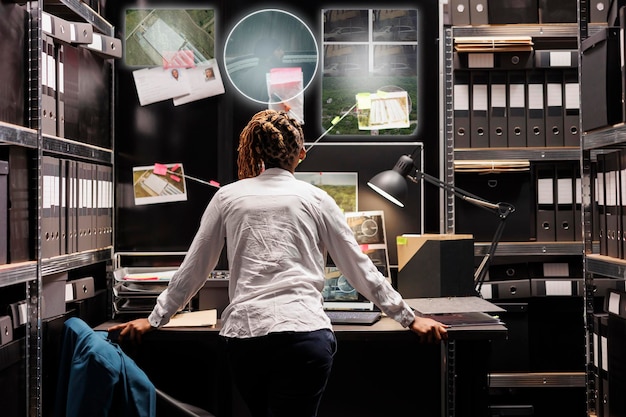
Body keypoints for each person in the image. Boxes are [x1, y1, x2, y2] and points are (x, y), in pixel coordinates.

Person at [108, 109, 449, 417]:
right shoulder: (317, 198)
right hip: (305, 338)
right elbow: (358, 267)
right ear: (301, 154)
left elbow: (195, 268)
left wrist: (154, 320)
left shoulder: (227, 196)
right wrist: (409, 318)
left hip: (246, 339)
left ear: (253, 151)